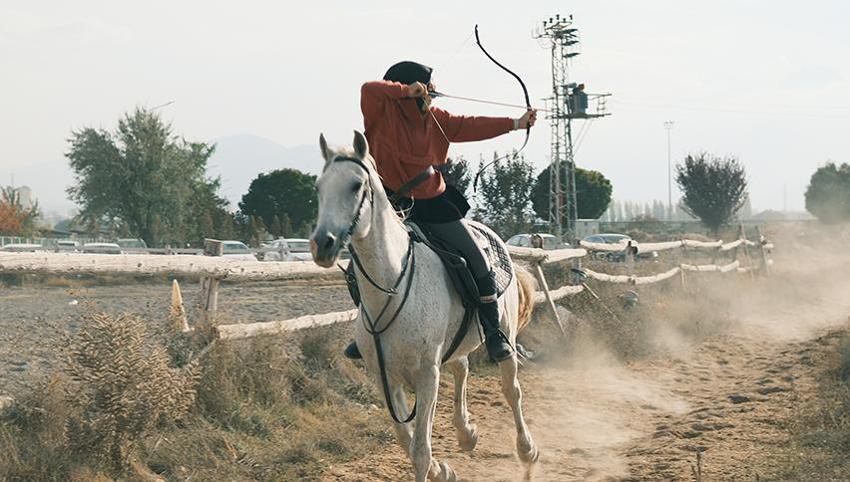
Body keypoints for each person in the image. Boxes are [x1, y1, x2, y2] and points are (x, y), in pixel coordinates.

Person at [344, 60, 537, 362]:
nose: (432, 92)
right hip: (389, 206)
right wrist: (404, 90)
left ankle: (494, 332)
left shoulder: (436, 118)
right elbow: (368, 88)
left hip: (433, 203)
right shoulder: (381, 112)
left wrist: (515, 123)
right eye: (428, 86)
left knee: (475, 259)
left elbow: (471, 125)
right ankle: (369, 331)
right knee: (359, 267)